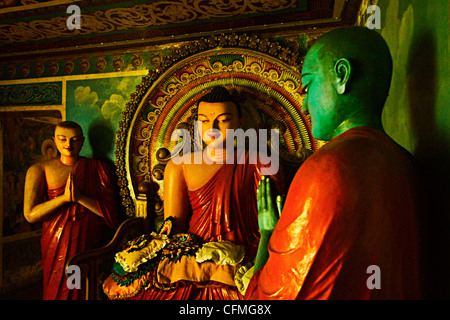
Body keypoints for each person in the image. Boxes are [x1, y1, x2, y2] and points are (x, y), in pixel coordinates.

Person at [245, 26, 422, 300]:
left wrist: (268, 233)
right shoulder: (406, 163)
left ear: (342, 76)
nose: (304, 106)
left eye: (307, 86)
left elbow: (268, 300)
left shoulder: (327, 168)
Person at [102, 86, 285, 300]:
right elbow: (174, 226)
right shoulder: (179, 165)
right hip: (193, 255)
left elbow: (274, 222)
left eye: (223, 119)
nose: (213, 127)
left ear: (240, 121)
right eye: (204, 121)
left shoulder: (261, 161)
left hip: (242, 254)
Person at [23, 120, 120, 299]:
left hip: (87, 243)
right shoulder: (39, 170)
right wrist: (64, 199)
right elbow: (30, 215)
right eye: (63, 139)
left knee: (80, 289)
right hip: (56, 243)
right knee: (59, 289)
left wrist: (81, 198)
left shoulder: (98, 169)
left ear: (82, 141)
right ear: (54, 140)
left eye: (74, 140)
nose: (68, 144)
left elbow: (112, 217)